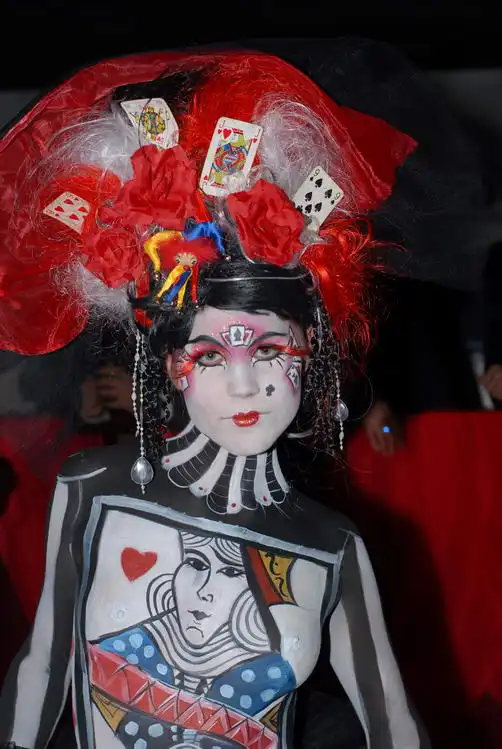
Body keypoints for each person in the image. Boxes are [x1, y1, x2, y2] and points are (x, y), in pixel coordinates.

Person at [0, 50, 428, 748]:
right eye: (209, 354)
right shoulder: (92, 487)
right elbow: (43, 663)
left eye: (271, 351)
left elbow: (395, 724)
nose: (244, 383)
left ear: (311, 358)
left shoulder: (332, 545)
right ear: (171, 367)